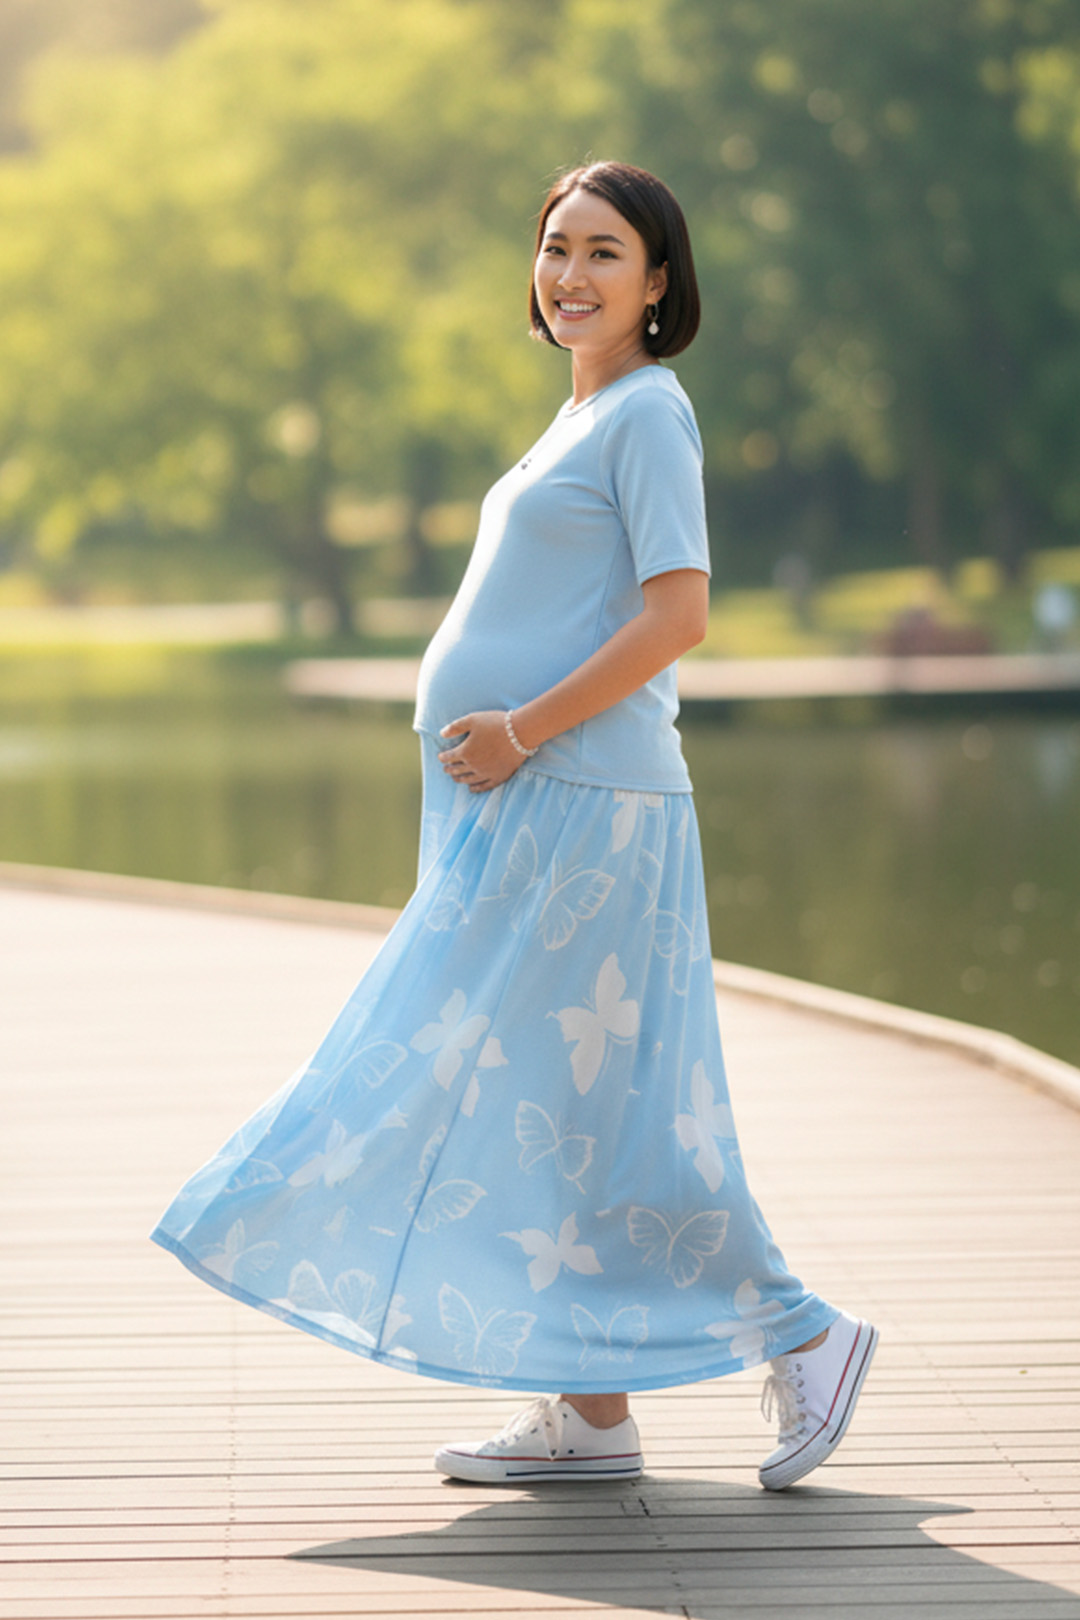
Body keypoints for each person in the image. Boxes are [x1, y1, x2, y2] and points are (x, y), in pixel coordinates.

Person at [151, 161, 876, 1492]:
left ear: (658, 283)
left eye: (605, 252)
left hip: (583, 803)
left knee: (596, 1109)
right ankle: (591, 1413)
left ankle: (805, 1334)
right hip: (524, 803)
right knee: (553, 1107)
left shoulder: (649, 412)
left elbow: (678, 615)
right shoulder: (580, 415)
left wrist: (524, 730)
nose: (571, 275)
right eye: (555, 248)